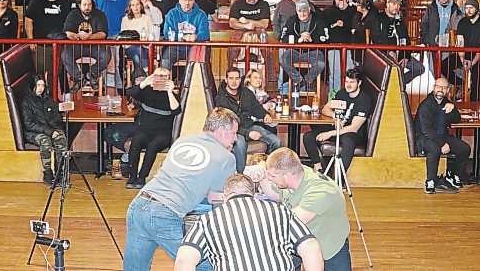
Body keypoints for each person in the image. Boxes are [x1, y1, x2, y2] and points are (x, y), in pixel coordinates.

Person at [123, 107, 239, 271]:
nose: (235, 139)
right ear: (221, 130)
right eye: (234, 133)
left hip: (138, 205)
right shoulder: (226, 157)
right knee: (201, 265)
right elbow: (215, 200)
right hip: (165, 214)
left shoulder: (182, 140)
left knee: (134, 269)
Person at [175, 173, 324, 271]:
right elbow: (311, 248)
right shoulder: (281, 211)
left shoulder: (206, 220)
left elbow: (184, 260)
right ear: (253, 194)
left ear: (225, 196)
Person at [264, 147, 352, 271]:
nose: (269, 178)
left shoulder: (320, 192)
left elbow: (289, 223)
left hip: (328, 246)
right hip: (300, 240)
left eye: (272, 175)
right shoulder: (295, 175)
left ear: (288, 175)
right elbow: (273, 193)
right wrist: (261, 175)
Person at [303, 68, 372, 171]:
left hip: (353, 133)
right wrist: (334, 115)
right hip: (338, 127)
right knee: (308, 137)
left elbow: (354, 127)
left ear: (359, 83)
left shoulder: (364, 99)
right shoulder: (342, 93)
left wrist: (330, 133)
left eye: (352, 82)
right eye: (347, 82)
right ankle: (319, 169)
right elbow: (325, 109)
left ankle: (340, 179)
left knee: (349, 141)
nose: (348, 85)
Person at [215, 67, 281, 174]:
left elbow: (255, 107)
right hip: (232, 131)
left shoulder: (246, 92)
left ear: (240, 80)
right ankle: (240, 176)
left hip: (249, 126)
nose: (234, 81)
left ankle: (269, 172)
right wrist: (248, 133)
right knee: (240, 144)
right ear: (226, 80)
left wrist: (265, 115)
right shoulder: (220, 98)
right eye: (231, 78)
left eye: (237, 78)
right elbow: (226, 122)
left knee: (276, 141)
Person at [125, 67, 181, 189]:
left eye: (164, 76)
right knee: (135, 143)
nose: (160, 79)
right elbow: (129, 93)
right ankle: (132, 176)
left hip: (163, 134)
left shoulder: (171, 95)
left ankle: (141, 177)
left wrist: (170, 92)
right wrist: (145, 83)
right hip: (145, 130)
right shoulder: (147, 91)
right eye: (158, 76)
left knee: (152, 147)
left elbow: (176, 110)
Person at [414, 78, 470, 194]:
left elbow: (456, 118)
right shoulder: (426, 105)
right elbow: (427, 130)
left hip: (441, 135)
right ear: (434, 88)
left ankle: (453, 174)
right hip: (424, 137)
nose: (441, 90)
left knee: (464, 149)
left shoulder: (446, 103)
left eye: (444, 88)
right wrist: (443, 144)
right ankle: (431, 181)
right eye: (438, 87)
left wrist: (453, 108)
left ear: (447, 90)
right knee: (435, 149)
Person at [21, 74, 67, 186]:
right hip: (33, 132)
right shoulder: (27, 102)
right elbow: (29, 124)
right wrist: (49, 131)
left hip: (49, 128)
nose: (41, 88)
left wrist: (55, 128)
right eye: (38, 85)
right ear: (33, 86)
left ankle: (60, 172)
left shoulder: (47, 98)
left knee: (61, 140)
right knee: (45, 142)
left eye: (42, 85)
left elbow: (56, 113)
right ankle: (47, 173)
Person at [61, 0, 110, 92]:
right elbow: (67, 32)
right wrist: (77, 35)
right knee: (65, 55)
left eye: (89, 4)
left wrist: (91, 37)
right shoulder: (73, 14)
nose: (87, 7)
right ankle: (79, 79)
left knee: (106, 55)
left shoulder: (99, 14)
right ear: (79, 5)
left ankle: (91, 75)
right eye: (84, 5)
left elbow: (103, 33)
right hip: (77, 45)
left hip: (95, 45)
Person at [25, 0, 67, 91]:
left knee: (55, 72)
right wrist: (30, 40)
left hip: (57, 44)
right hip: (40, 44)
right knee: (40, 74)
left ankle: (52, 98)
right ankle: (41, 98)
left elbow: (68, 22)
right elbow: (28, 21)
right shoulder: (36, 2)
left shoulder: (63, 3)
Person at [370, 0, 424, 84]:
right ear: (387, 4)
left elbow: (406, 39)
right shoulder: (378, 18)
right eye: (393, 4)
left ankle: (399, 82)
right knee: (388, 70)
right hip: (383, 53)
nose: (396, 7)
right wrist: (390, 50)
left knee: (420, 68)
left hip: (400, 54)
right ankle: (392, 83)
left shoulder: (400, 20)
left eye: (398, 5)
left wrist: (405, 56)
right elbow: (376, 38)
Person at [279, 0, 327, 90]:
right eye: (299, 11)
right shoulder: (292, 20)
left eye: (304, 11)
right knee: (283, 60)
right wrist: (299, 40)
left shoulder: (318, 19)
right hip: (295, 50)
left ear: (309, 10)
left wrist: (312, 39)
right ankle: (300, 81)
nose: (302, 14)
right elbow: (283, 37)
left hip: (313, 51)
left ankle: (308, 80)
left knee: (320, 64)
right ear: (296, 11)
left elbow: (326, 37)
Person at [229, 0, 274, 81]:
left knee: (268, 51)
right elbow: (232, 23)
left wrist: (251, 22)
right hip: (240, 35)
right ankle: (232, 78)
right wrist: (245, 25)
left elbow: (265, 24)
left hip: (259, 34)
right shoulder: (237, 4)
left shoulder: (264, 5)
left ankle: (269, 81)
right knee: (231, 52)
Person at [420, 0, 462, 88]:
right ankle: (444, 88)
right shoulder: (431, 8)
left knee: (446, 68)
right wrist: (427, 41)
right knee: (433, 68)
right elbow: (424, 25)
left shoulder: (455, 9)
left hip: (448, 45)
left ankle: (448, 89)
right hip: (433, 44)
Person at [162, 0, 209, 68]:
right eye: (185, 0)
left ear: (193, 1)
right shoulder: (172, 14)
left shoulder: (201, 14)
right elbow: (167, 34)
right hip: (175, 47)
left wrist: (196, 37)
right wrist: (183, 37)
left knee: (198, 65)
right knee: (165, 62)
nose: (187, 3)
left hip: (194, 46)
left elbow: (205, 34)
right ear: (180, 1)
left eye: (190, 0)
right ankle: (163, 80)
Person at [322, 0, 355, 94]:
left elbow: (354, 26)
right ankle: (333, 97)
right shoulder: (328, 12)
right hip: (333, 46)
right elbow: (325, 28)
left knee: (349, 73)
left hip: (349, 46)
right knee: (335, 74)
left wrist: (346, 10)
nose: (340, 1)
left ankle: (348, 96)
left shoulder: (352, 11)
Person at [456, 0, 480, 101]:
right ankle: (460, 84)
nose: (468, 11)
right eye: (466, 8)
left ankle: (475, 104)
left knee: (476, 77)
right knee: (444, 65)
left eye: (471, 8)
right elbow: (460, 42)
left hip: (478, 55)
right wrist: (462, 59)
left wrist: (472, 62)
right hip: (465, 54)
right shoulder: (462, 22)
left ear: (477, 9)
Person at [120, 0, 154, 70]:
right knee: (138, 49)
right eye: (133, 5)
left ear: (141, 6)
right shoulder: (125, 20)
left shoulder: (147, 18)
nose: (135, 7)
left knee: (137, 57)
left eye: (137, 4)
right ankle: (146, 70)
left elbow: (151, 34)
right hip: (130, 47)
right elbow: (124, 37)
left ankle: (138, 78)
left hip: (146, 47)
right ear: (130, 7)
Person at [244, 68, 277, 134]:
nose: (258, 80)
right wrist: (263, 107)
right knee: (271, 129)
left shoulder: (260, 92)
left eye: (260, 78)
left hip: (259, 119)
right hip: (249, 122)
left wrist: (270, 104)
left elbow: (273, 100)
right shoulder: (246, 93)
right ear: (248, 79)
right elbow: (251, 109)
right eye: (255, 78)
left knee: (272, 128)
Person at [350, 0, 378, 64]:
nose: (356, 5)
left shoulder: (372, 17)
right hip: (355, 46)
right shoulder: (357, 15)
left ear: (364, 7)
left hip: (365, 48)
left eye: (358, 4)